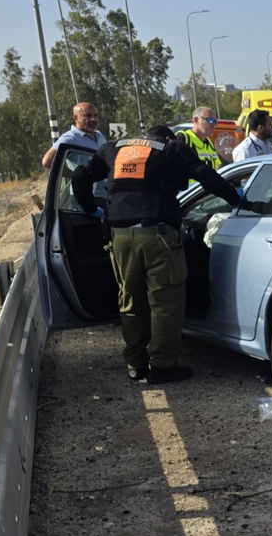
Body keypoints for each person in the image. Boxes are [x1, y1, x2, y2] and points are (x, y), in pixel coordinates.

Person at [71, 125, 243, 383]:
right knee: (165, 302)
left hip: (119, 236)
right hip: (157, 234)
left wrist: (91, 210)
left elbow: (79, 178)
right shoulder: (171, 148)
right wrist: (235, 197)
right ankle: (163, 366)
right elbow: (205, 175)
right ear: (167, 137)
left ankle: (135, 364)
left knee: (131, 299)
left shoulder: (113, 148)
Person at [41, 102, 105, 168]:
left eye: (95, 115)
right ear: (76, 118)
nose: (93, 119)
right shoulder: (70, 138)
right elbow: (47, 162)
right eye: (88, 115)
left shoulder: (99, 135)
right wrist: (72, 174)